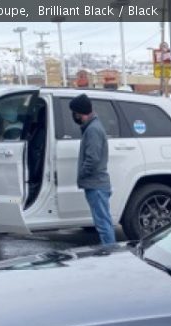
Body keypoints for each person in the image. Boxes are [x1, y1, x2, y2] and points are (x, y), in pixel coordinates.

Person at [68, 94, 115, 246]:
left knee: (103, 224)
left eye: (75, 113)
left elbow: (92, 159)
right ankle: (110, 251)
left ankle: (111, 255)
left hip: (96, 185)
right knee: (103, 222)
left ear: (80, 113)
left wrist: (82, 173)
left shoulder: (93, 130)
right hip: (97, 184)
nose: (74, 117)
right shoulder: (92, 127)